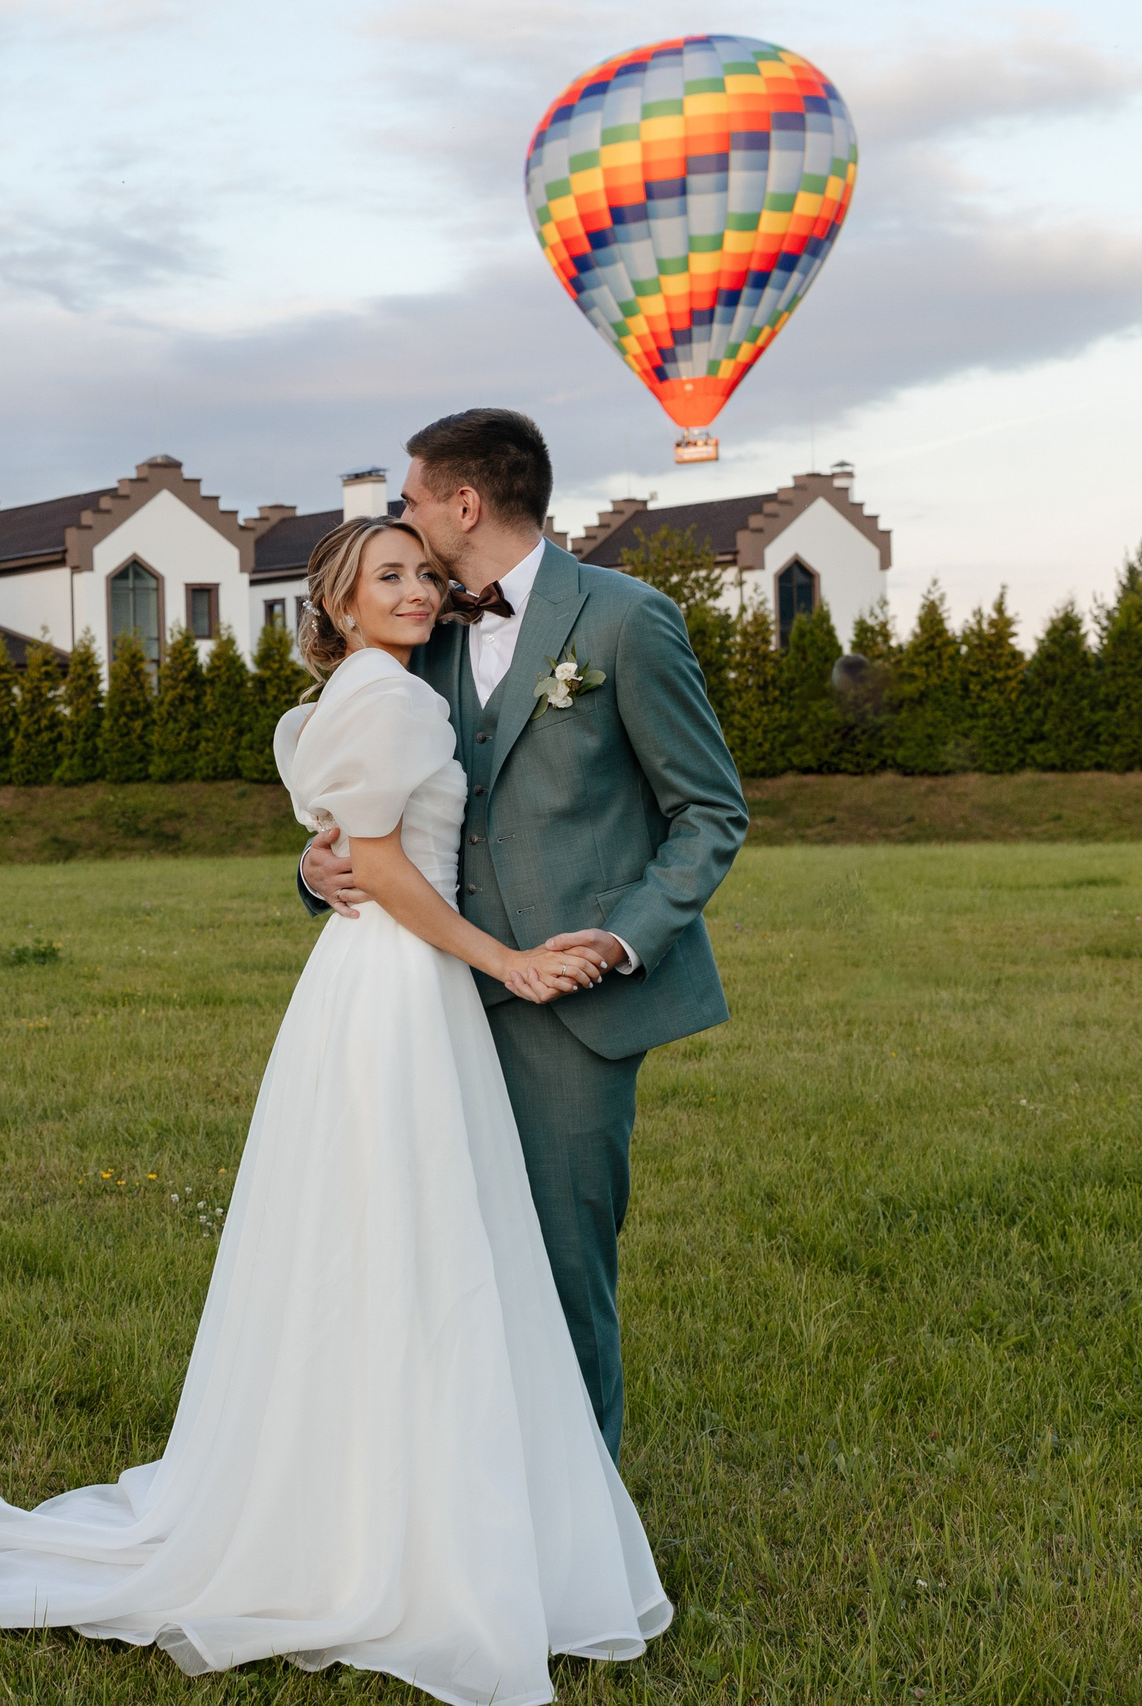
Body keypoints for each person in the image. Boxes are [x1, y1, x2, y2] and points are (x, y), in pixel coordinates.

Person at [0, 512, 673, 1702]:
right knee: (412, 1236)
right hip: (406, 982)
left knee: (378, 1237)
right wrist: (503, 961)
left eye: (418, 571)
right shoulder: (395, 699)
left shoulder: (373, 689)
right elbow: (387, 866)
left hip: (375, 987)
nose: (411, 588)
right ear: (339, 607)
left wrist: (342, 871)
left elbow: (353, 841)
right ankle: (393, 1518)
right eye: (383, 577)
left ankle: (365, 1486)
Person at [299, 408, 746, 1462]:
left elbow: (709, 810)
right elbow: (378, 803)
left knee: (558, 1267)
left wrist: (620, 939)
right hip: (428, 995)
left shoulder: (627, 619)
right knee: (437, 1260)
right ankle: (458, 1493)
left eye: (409, 499)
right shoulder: (423, 627)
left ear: (462, 504)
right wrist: (319, 870)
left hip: (568, 1014)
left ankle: (580, 1520)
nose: (401, 525)